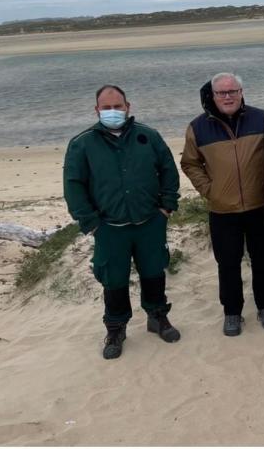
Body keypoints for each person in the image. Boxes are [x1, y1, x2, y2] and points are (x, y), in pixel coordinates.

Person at [63, 84, 181, 360]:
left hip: (150, 221)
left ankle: (157, 317)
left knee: (154, 271)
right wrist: (90, 222)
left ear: (128, 107)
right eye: (107, 107)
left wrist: (166, 207)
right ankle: (115, 328)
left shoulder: (148, 136)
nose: (113, 111)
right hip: (109, 227)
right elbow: (73, 185)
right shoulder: (82, 143)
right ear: (97, 110)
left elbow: (168, 170)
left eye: (118, 106)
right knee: (113, 278)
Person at [180, 72, 264, 337]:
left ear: (241, 92)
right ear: (213, 95)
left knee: (263, 260)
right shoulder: (198, 127)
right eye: (222, 92)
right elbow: (190, 163)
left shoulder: (262, 118)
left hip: (259, 206)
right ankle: (232, 313)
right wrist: (209, 190)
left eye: (233, 91)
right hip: (223, 210)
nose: (228, 97)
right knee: (228, 263)